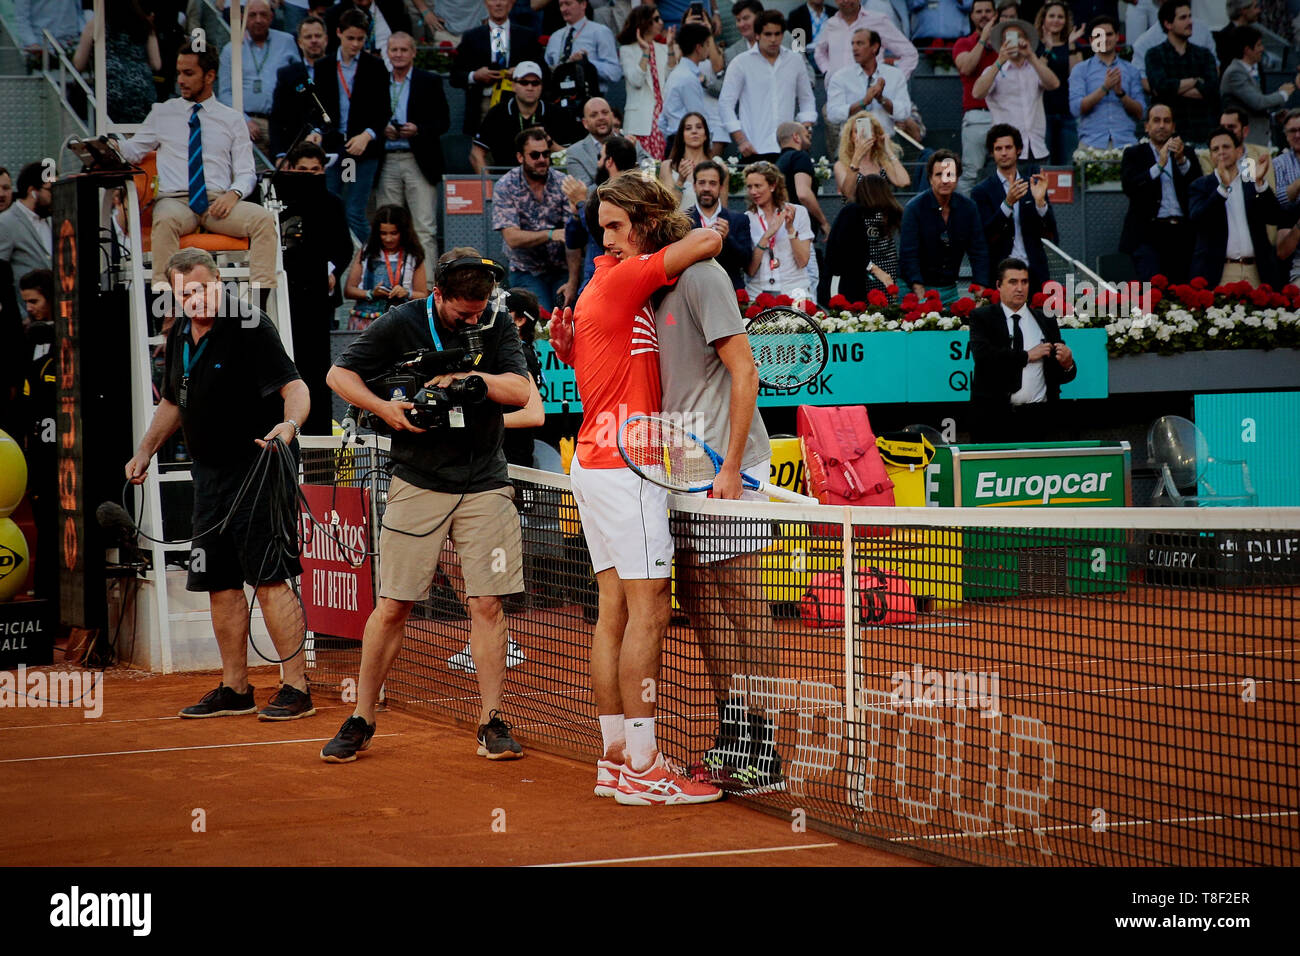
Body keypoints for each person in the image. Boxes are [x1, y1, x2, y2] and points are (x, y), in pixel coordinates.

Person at [547, 173, 724, 805]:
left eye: (616, 226)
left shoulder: (601, 285)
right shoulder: (623, 276)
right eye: (605, 229)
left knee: (614, 611)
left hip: (596, 464)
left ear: (641, 222)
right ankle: (645, 769)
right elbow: (705, 241)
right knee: (648, 610)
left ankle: (617, 755)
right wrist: (716, 228)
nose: (608, 237)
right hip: (628, 468)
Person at [322, 250, 532, 762]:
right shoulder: (402, 322)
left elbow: (523, 392)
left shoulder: (498, 323)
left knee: (486, 602)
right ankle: (361, 716)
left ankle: (490, 721)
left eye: (480, 310)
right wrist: (384, 408)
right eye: (464, 313)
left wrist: (472, 383)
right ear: (438, 296)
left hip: (485, 482)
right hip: (418, 481)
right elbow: (337, 376)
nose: (474, 320)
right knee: (394, 603)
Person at [125, 248, 313, 721]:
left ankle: (296, 687)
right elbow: (173, 401)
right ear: (173, 293)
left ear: (220, 283)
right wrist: (144, 450)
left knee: (269, 578)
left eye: (203, 288)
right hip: (208, 479)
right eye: (185, 291)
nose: (195, 298)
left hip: (259, 471)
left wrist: (289, 427)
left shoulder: (250, 326)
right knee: (219, 582)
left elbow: (296, 387)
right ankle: (235, 687)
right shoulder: (180, 337)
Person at [650, 246, 780, 793]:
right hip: (677, 466)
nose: (606, 240)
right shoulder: (641, 286)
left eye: (615, 226)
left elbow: (745, 371)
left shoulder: (703, 277)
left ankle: (765, 744)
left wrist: (729, 466)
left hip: (729, 466)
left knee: (742, 599)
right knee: (699, 600)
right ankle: (733, 727)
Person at [117, 44, 277, 303]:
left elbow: (247, 172)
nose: (180, 80)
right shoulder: (162, 112)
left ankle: (256, 307)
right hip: (176, 201)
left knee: (264, 220)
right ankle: (168, 310)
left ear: (210, 76)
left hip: (217, 202)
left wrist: (234, 194)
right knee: (166, 218)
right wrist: (106, 147)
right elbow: (132, 151)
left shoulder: (232, 119)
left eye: (189, 73)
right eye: (179, 72)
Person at [274, 142, 353, 435]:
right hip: (281, 294)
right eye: (302, 170)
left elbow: (344, 247)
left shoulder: (332, 202)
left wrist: (330, 270)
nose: (309, 175)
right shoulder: (276, 203)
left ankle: (317, 438)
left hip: (317, 298)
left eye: (315, 171)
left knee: (316, 371)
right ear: (291, 169)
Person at [967, 256, 1077, 443]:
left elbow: (1057, 374)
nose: (1020, 288)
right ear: (999, 285)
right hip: (994, 420)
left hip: (1038, 419)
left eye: (1024, 282)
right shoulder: (983, 317)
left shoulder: (1045, 320)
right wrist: (1026, 356)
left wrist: (1068, 365)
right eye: (1013, 282)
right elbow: (984, 358)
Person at [375, 32, 449, 280]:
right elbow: (366, 116)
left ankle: (428, 285)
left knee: (424, 228)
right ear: (387, 52)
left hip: (418, 159)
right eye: (394, 50)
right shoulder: (378, 81)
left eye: (403, 50)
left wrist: (418, 129)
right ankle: (390, 283)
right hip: (386, 159)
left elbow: (443, 121)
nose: (398, 54)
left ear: (414, 52)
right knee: (388, 226)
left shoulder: (429, 81)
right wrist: (380, 128)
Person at [1189, 125, 1292, 286]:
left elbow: (1275, 216)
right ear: (1211, 156)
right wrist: (1222, 189)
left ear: (1238, 152)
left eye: (1226, 147)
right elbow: (1198, 220)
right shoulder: (1200, 186)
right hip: (1220, 272)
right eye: (1215, 149)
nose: (1221, 152)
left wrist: (1261, 184)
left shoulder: (1251, 183)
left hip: (1256, 271)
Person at [327, 9, 394, 241]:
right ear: (339, 33)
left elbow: (384, 110)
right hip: (335, 148)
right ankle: (334, 263)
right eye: (350, 38)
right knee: (330, 207)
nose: (355, 44)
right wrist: (316, 131)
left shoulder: (374, 67)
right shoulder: (325, 66)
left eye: (360, 39)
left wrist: (367, 135)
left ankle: (369, 258)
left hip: (362, 150)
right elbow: (317, 108)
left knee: (353, 210)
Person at [720, 11, 817, 162]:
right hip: (753, 147)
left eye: (777, 34)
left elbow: (807, 99)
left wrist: (806, 128)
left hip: (788, 149)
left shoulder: (795, 60)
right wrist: (740, 140)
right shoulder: (740, 62)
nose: (773, 39)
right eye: (768, 34)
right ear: (757, 35)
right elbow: (725, 104)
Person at [972, 124, 1059, 292]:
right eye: (998, 148)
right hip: (1000, 274)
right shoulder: (981, 191)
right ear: (992, 153)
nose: (1004, 153)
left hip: (1033, 272)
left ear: (1018, 150)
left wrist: (1041, 203)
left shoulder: (1034, 185)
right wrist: (1007, 204)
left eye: (1008, 147)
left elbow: (1051, 234)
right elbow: (984, 235)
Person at [492, 127, 571, 310]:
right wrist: (551, 234)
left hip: (562, 268)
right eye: (535, 155)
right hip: (526, 270)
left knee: (571, 315)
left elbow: (572, 238)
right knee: (537, 318)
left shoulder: (563, 183)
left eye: (545, 154)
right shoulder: (506, 186)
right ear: (521, 157)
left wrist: (574, 281)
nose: (542, 160)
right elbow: (512, 238)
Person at [1120, 102, 1199, 281]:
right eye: (1156, 121)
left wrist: (1181, 161)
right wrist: (1159, 166)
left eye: (1167, 121)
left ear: (1173, 127)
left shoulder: (1186, 153)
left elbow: (1197, 188)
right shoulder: (1134, 154)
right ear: (1147, 126)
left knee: (1181, 294)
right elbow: (1130, 187)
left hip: (1182, 234)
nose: (1162, 125)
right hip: (1148, 234)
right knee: (1153, 294)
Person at [899, 150, 992, 303]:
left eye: (950, 175)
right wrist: (919, 291)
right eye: (938, 175)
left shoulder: (968, 208)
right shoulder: (914, 208)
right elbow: (908, 254)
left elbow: (978, 251)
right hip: (914, 288)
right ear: (930, 179)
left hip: (949, 288)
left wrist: (980, 286)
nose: (944, 180)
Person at [560, 133, 641, 299]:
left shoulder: (633, 195)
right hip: (593, 278)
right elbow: (574, 240)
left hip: (615, 280)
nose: (598, 163)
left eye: (600, 157)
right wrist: (576, 215)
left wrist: (582, 204)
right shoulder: (596, 194)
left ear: (609, 162)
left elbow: (602, 237)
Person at [970, 18, 1061, 162]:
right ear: (1001, 44)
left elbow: (1054, 84)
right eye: (1008, 39)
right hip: (1007, 151)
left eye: (1018, 37)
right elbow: (977, 93)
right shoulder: (993, 71)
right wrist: (999, 61)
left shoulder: (1035, 68)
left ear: (1026, 41)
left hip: (1036, 148)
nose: (1014, 42)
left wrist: (1031, 56)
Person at [450, 0, 546, 134]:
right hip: (483, 105)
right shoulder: (471, 37)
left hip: (519, 104)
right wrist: (475, 76)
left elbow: (543, 71)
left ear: (511, 3)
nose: (498, 4)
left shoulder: (527, 36)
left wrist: (522, 71)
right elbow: (455, 76)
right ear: (485, 4)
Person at [825, 26, 911, 172]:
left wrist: (882, 99)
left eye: (860, 43)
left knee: (886, 192)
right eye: (852, 44)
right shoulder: (840, 77)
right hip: (852, 146)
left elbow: (904, 112)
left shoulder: (895, 75)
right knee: (852, 191)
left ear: (874, 47)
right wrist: (862, 103)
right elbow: (832, 114)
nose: (854, 48)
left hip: (884, 144)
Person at [216, 0, 298, 148]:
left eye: (263, 15)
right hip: (249, 125)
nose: (258, 20)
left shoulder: (287, 42)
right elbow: (225, 93)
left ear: (271, 17)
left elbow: (299, 80)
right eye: (252, 15)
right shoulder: (231, 49)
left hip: (283, 123)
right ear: (243, 18)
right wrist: (243, 120)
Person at [71, 1, 160, 125]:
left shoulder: (97, 24)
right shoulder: (145, 24)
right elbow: (156, 64)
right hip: (142, 89)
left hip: (109, 88)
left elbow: (79, 63)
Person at [1145, 1, 1220, 145]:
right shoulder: (1155, 54)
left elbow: (1212, 88)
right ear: (1168, 24)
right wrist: (1195, 81)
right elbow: (1160, 87)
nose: (1190, 22)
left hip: (1202, 130)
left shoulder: (1204, 54)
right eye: (1183, 18)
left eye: (1190, 17)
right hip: (1169, 135)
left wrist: (1174, 88)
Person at [820, 171, 902, 302]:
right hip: (843, 281)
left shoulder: (862, 213)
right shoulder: (853, 212)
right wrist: (875, 270)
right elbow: (846, 249)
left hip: (857, 281)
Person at [345, 205, 429, 330]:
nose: (388, 239)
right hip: (366, 319)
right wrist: (371, 293)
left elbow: (423, 294)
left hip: (400, 320)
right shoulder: (366, 252)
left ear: (403, 232)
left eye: (393, 233)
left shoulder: (413, 255)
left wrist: (406, 293)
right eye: (383, 233)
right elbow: (349, 290)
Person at [472, 61, 568, 169]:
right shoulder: (497, 113)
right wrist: (489, 184)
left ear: (541, 86)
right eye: (524, 82)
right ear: (513, 86)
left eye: (535, 83)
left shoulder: (556, 113)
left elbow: (571, 156)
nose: (530, 87)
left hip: (547, 180)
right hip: (506, 180)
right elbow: (476, 153)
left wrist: (549, 142)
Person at [1070, 14, 1146, 148]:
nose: (1104, 39)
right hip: (1091, 143)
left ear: (1117, 36)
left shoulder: (1131, 70)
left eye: (1109, 34)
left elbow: (1142, 113)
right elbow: (1076, 109)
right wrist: (1104, 88)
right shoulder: (1081, 70)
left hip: (1126, 142)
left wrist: (1121, 94)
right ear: (1091, 40)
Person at [743, 160, 815, 297]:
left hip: (794, 292)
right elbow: (750, 270)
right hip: (758, 294)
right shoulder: (747, 218)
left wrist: (790, 229)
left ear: (773, 185)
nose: (753, 191)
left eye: (758, 186)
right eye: (749, 187)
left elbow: (803, 261)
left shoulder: (798, 212)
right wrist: (766, 236)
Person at [1219, 26, 1297, 145]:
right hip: (1246, 143)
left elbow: (1252, 110)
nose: (1262, 49)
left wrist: (1273, 116)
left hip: (1260, 141)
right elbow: (1258, 103)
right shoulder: (1235, 73)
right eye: (1259, 45)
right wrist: (1283, 94)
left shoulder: (1250, 71)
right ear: (1247, 50)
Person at [953, 0, 1000, 193]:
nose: (983, 15)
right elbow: (966, 67)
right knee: (970, 174)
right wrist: (983, 40)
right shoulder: (963, 43)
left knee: (1006, 173)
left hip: (1005, 114)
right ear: (971, 16)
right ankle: (962, 221)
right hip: (977, 116)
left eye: (988, 11)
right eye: (978, 11)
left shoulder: (1005, 42)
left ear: (995, 14)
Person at [268, 14, 332, 157]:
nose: (314, 41)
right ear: (300, 42)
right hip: (296, 151)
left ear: (326, 39)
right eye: (308, 37)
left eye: (318, 36)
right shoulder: (287, 74)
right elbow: (277, 117)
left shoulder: (338, 71)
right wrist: (280, 154)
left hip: (332, 149)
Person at [658, 23, 727, 154]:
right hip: (685, 145)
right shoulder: (687, 77)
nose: (709, 48)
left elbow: (662, 120)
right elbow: (699, 117)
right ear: (699, 48)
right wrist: (708, 145)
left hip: (677, 140)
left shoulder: (678, 73)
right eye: (707, 44)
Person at [618, 6, 675, 157]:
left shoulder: (662, 48)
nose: (661, 22)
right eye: (656, 19)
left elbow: (671, 78)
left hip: (662, 120)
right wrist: (645, 54)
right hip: (640, 122)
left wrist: (670, 49)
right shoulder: (627, 50)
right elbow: (636, 81)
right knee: (642, 172)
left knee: (662, 168)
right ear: (645, 22)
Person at [688, 159, 753, 289]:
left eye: (712, 183)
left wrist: (728, 238)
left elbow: (747, 263)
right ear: (694, 186)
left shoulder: (739, 219)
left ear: (721, 187)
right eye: (702, 183)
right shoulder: (683, 220)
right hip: (693, 289)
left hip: (730, 290)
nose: (706, 188)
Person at [813, 0, 917, 80]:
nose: (845, 1)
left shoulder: (878, 20)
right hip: (837, 98)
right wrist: (828, 73)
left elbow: (909, 53)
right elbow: (819, 52)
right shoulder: (830, 24)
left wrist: (893, 83)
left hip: (871, 98)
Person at [1033, 2, 1083, 164]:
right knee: (1044, 166)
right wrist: (1047, 48)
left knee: (1068, 165)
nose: (1056, 20)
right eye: (1052, 16)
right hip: (1042, 114)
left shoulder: (1074, 45)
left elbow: (1076, 76)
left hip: (1068, 114)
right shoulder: (1035, 46)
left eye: (1060, 17)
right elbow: (1038, 77)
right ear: (1043, 19)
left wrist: (1071, 44)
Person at [564, 97, 649, 188]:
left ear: (612, 116)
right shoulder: (575, 153)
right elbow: (585, 192)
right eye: (593, 115)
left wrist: (629, 155)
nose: (601, 118)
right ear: (585, 123)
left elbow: (649, 178)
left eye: (605, 113)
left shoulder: (631, 143)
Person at [0, 163, 52, 306]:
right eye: (50, 190)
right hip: (25, 315)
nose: (55, 195)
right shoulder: (6, 222)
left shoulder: (52, 220)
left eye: (6, 188)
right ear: (33, 191)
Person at [544, 0, 623, 90]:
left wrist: (587, 63)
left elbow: (615, 73)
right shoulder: (555, 37)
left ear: (583, 4)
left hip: (591, 97)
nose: (563, 9)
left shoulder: (600, 32)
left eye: (568, 4)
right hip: (560, 97)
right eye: (561, 5)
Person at [774, 122, 831, 241]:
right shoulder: (800, 156)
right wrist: (823, 222)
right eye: (806, 136)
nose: (810, 138)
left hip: (781, 228)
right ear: (796, 137)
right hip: (799, 229)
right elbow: (803, 194)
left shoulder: (778, 163)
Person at [835, 111, 910, 197]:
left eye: (867, 131)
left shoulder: (881, 162)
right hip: (856, 209)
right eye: (857, 131)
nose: (861, 135)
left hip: (882, 208)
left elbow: (904, 182)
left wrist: (889, 151)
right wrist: (857, 156)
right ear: (851, 137)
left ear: (874, 136)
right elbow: (848, 193)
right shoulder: (841, 165)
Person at [325, 0, 413, 63]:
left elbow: (408, 41)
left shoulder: (394, 6)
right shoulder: (334, 15)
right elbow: (331, 52)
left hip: (393, 74)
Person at [658, 112, 713, 209]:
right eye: (688, 128)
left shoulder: (718, 167)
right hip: (680, 223)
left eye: (699, 127)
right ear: (682, 136)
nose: (694, 131)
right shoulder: (667, 166)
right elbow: (668, 208)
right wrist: (680, 181)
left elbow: (723, 211)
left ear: (706, 135)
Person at [1213, 0, 1262, 69]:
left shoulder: (1253, 34)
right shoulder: (1224, 37)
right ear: (1244, 10)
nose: (1259, 11)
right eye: (1255, 7)